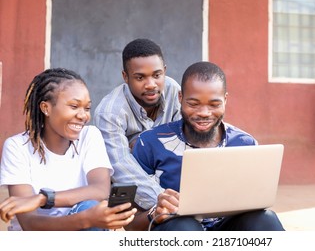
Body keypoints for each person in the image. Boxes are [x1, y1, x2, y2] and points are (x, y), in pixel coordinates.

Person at [131, 61, 285, 231]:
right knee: (184, 226)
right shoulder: (150, 143)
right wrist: (156, 213)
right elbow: (131, 224)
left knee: (265, 219)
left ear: (225, 100)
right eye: (194, 104)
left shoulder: (244, 144)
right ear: (180, 98)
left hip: (229, 231)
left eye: (214, 104)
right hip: (178, 233)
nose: (204, 113)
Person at [0, 68, 136, 231]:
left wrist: (43, 199)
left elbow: (101, 189)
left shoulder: (90, 136)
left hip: (84, 233)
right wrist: (86, 219)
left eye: (87, 108)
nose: (83, 116)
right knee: (89, 209)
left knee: (89, 206)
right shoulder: (17, 147)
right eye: (74, 106)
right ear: (46, 108)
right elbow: (30, 224)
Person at [94, 38, 181, 212]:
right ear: (125, 77)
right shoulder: (109, 112)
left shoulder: (173, 89)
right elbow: (121, 168)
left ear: (164, 71)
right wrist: (164, 201)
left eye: (157, 75)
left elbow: (186, 138)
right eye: (140, 77)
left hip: (169, 177)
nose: (151, 85)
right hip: (131, 191)